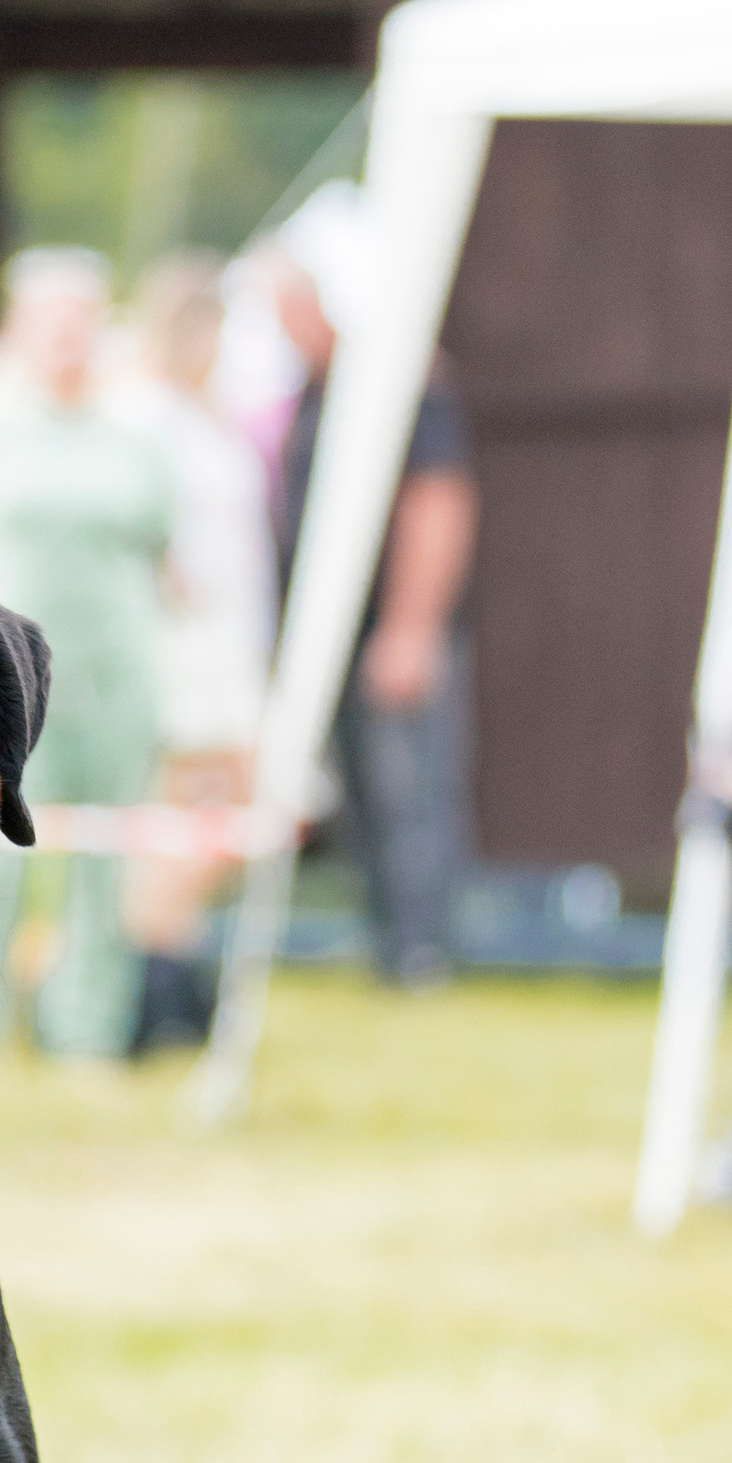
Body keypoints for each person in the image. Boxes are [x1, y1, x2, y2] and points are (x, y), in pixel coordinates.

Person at [0, 248, 172, 1060]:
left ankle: (90, 1035)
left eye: (82, 320)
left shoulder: (139, 434)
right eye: (51, 320)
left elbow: (165, 553)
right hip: (4, 684)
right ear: (18, 328)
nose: (67, 337)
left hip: (118, 675)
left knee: (107, 864)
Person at [270, 201, 477, 988]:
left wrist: (410, 627)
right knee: (363, 797)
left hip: (388, 633)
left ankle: (422, 953)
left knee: (409, 795)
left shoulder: (402, 382)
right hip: (336, 637)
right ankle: (390, 942)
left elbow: (438, 502)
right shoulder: (313, 390)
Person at [109, 253, 277, 1051]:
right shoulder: (143, 416)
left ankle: (169, 957)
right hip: (181, 646)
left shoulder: (215, 418)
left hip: (233, 639)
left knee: (222, 815)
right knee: (178, 814)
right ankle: (153, 976)